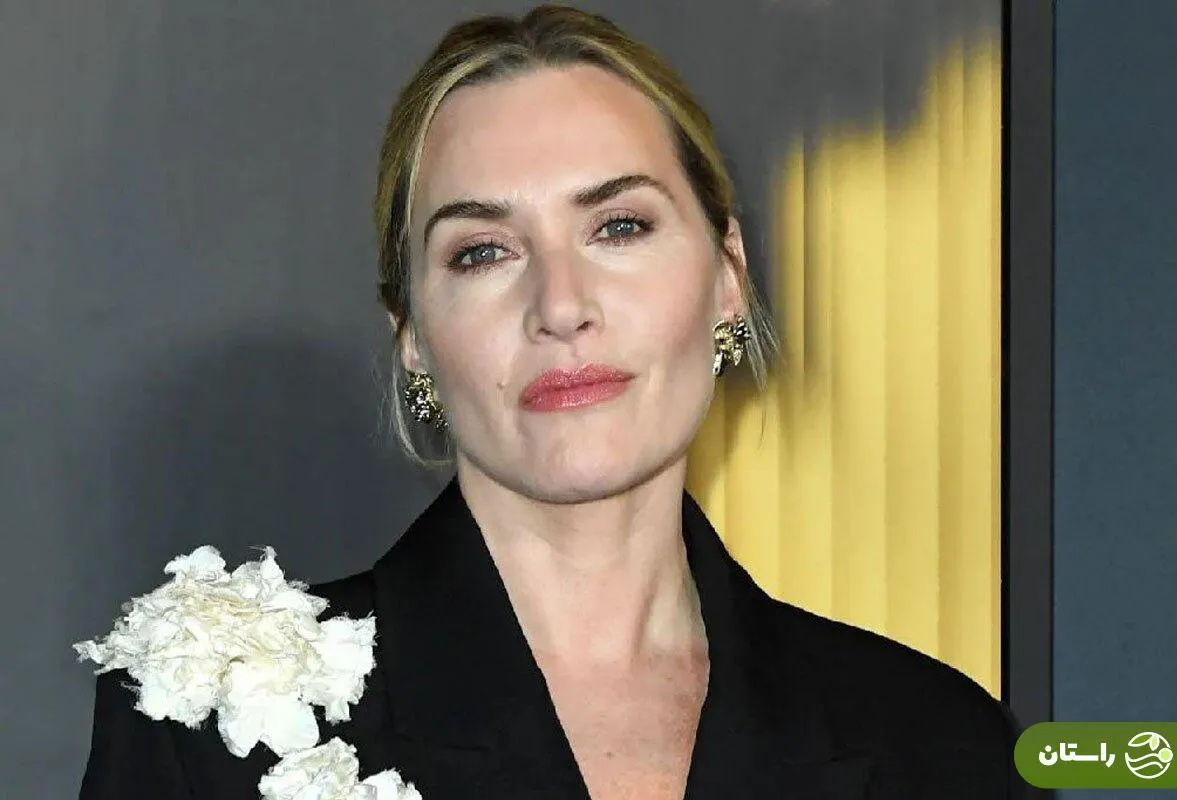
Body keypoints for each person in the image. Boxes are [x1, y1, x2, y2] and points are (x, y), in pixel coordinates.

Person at [79, 5, 1029, 799]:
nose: (561, 306)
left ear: (727, 276)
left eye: (619, 226)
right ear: (413, 333)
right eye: (482, 252)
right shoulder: (205, 726)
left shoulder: (940, 744)